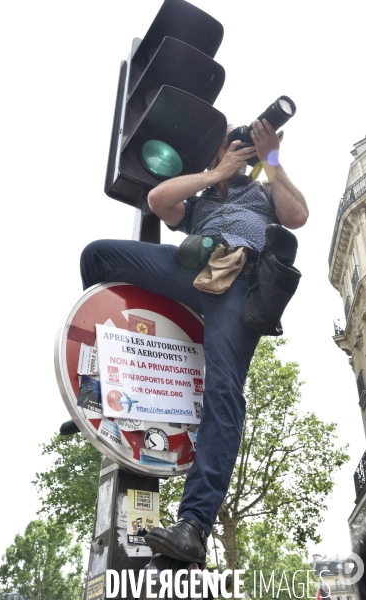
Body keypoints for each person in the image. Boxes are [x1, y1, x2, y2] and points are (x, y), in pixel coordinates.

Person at [67, 118, 309, 565]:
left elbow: (298, 216)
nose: (240, 149)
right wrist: (217, 173)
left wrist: (271, 159)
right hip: (192, 266)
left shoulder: (260, 194)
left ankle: (193, 526)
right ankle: (93, 392)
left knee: (223, 390)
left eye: (245, 146)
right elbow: (159, 200)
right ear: (216, 152)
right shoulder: (198, 201)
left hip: (239, 287)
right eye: (231, 143)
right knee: (98, 255)